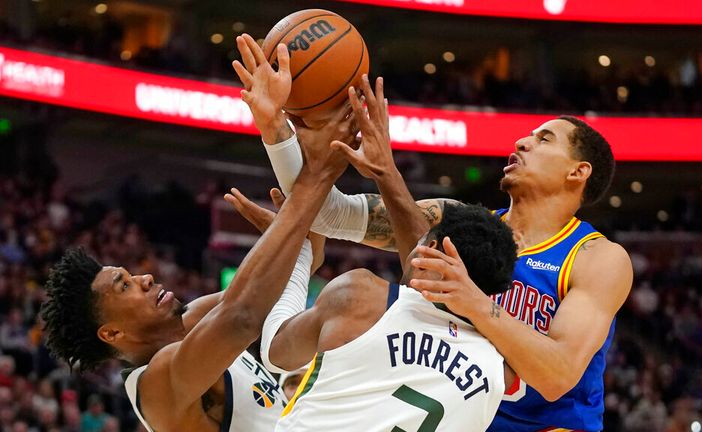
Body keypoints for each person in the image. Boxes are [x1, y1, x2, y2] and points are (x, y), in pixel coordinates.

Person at [242, 53, 633, 429]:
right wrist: (274, 127)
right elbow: (329, 213)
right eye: (526, 136)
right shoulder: (458, 225)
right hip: (456, 417)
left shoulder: (596, 257)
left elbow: (558, 375)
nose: (521, 143)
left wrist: (474, 302)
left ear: (578, 171)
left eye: (544, 139)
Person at [40, 36, 358, 432]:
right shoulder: (156, 386)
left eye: (129, 275)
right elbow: (242, 315)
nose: (144, 278)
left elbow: (300, 262)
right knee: (352, 295)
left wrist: (284, 131)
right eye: (124, 286)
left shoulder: (193, 319)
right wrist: (314, 176)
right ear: (112, 332)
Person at [246, 81, 517, 429]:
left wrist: (300, 257)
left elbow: (275, 353)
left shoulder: (359, 295)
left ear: (431, 248)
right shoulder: (498, 371)